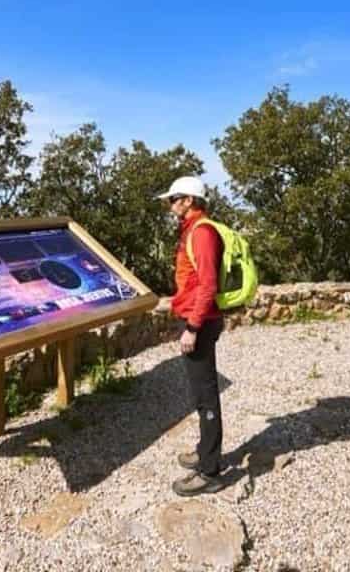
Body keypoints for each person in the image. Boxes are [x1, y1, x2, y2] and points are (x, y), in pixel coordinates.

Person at [157, 175, 227, 496]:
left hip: (200, 321)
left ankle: (210, 471)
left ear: (188, 200)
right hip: (196, 317)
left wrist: (193, 328)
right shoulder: (193, 230)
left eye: (174, 199)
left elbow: (208, 284)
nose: (170, 204)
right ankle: (205, 450)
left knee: (206, 395)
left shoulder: (202, 232)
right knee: (201, 394)